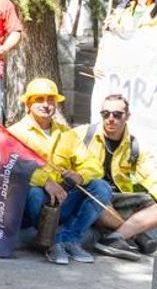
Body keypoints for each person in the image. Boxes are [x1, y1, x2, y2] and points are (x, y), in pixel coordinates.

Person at [10, 78, 111, 265]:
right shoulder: (16, 133)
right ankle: (52, 243)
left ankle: (70, 239)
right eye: (39, 99)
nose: (46, 105)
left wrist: (80, 176)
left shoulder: (66, 133)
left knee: (102, 188)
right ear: (28, 105)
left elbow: (93, 165)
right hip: (32, 204)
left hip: (64, 198)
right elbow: (12, 169)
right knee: (34, 194)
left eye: (50, 100)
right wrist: (45, 182)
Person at [83, 93, 157, 259]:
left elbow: (155, 176)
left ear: (127, 116)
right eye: (105, 114)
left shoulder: (135, 146)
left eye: (117, 114)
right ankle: (137, 237)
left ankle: (113, 239)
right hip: (89, 194)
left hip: (117, 198)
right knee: (96, 197)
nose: (110, 119)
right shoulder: (83, 134)